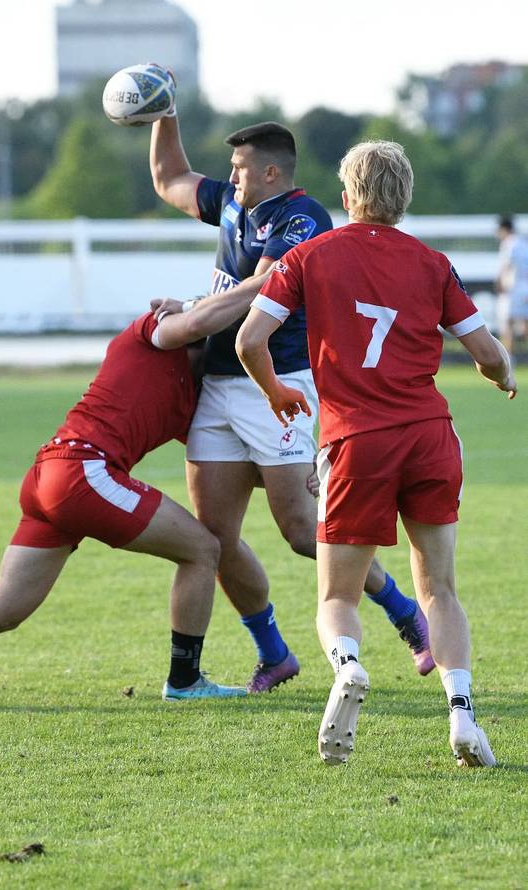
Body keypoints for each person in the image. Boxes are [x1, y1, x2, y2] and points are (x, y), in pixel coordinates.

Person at [0, 282, 271, 711]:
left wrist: (293, 476)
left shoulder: (194, 397)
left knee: (2, 607)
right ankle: (185, 679)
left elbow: (230, 467)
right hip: (83, 471)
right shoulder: (155, 332)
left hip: (51, 474)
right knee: (203, 549)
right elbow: (194, 324)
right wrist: (267, 280)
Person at [236, 140, 517, 766]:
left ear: (345, 197)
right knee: (439, 588)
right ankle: (464, 716)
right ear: (405, 198)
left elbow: (250, 339)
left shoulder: (308, 255)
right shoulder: (432, 263)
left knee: (336, 596)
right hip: (428, 437)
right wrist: (503, 379)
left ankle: (348, 667)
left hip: (355, 439)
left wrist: (276, 391)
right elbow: (489, 353)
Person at [149, 100, 433, 692]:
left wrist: (193, 314)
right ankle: (274, 653)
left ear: (272, 173)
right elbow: (169, 180)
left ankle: (407, 615)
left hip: (274, 385)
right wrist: (164, 112)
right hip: (219, 389)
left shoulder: (302, 218)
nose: (230, 176)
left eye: (240, 167)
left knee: (304, 531)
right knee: (214, 540)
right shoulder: (231, 203)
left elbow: (261, 286)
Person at [495, 215, 528, 355]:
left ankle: (508, 362)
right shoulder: (523, 243)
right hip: (525, 287)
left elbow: (506, 266)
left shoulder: (508, 244)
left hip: (512, 289)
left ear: (503, 229)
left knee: (507, 325)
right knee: (525, 324)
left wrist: (499, 282)